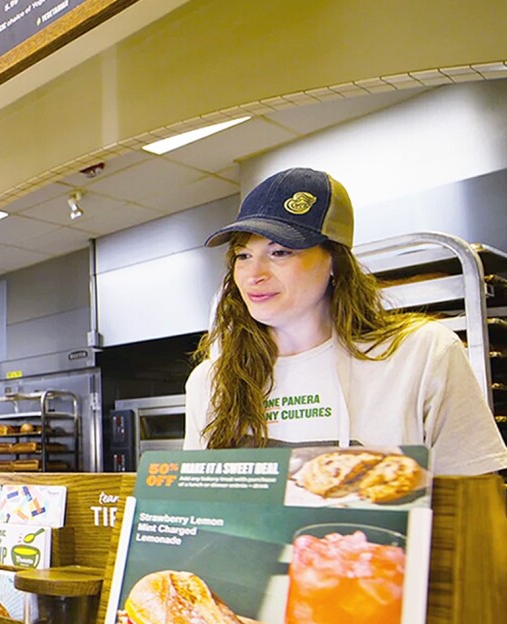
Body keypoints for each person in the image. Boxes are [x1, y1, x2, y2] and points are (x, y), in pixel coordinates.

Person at [184, 166, 507, 475]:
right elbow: (194, 505)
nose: (254, 275)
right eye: (243, 256)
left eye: (280, 252)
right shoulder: (212, 381)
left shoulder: (421, 355)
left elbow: (473, 502)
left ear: (335, 262)